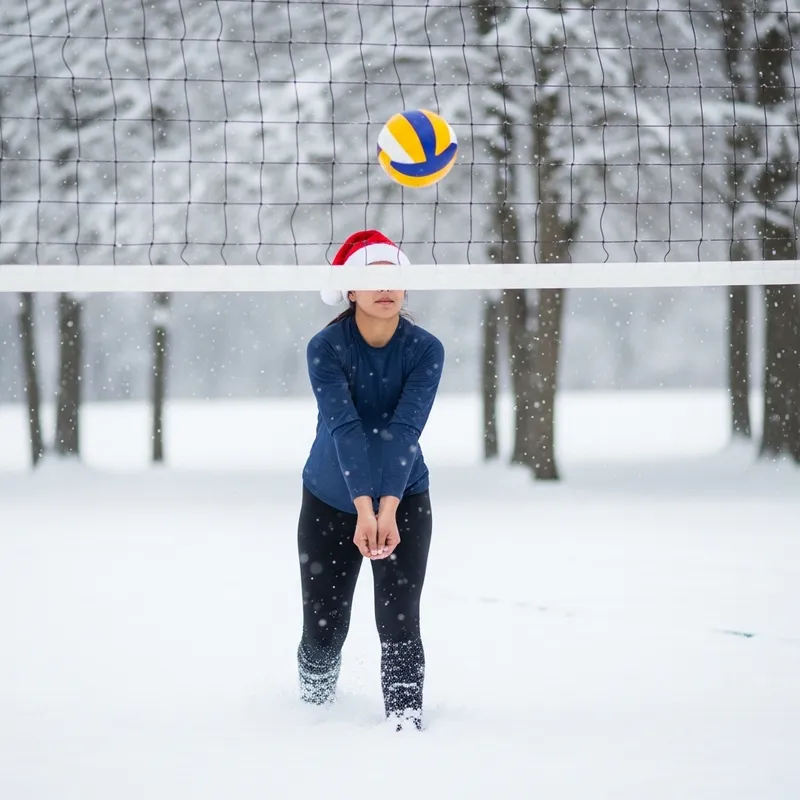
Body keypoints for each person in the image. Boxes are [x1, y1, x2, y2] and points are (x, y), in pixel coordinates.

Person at [297, 229, 445, 732]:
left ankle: (405, 720)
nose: (386, 288)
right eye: (370, 278)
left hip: (405, 495)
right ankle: (311, 711)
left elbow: (404, 429)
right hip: (331, 498)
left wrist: (387, 508)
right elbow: (346, 428)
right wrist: (364, 508)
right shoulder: (326, 347)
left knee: (400, 618)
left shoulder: (426, 349)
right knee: (324, 630)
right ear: (349, 290)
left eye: (395, 277)